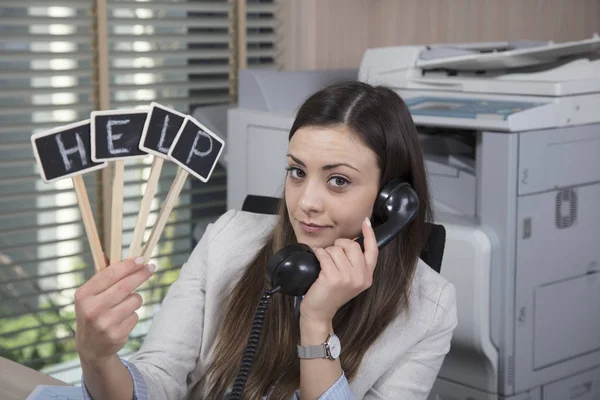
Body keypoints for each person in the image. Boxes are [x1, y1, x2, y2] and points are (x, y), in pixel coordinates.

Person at [74, 81, 458, 400]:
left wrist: (317, 322)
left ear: (392, 200)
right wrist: (98, 359)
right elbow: (159, 376)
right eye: (296, 172)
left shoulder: (429, 309)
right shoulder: (227, 238)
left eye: (338, 180)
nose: (305, 202)